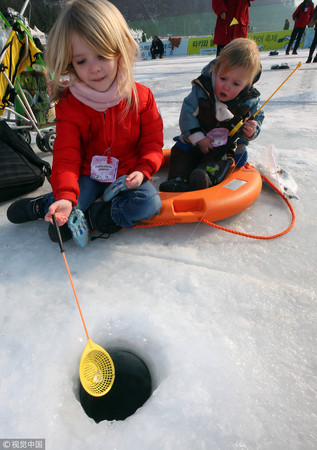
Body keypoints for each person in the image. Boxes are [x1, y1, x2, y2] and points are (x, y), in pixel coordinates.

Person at [7, 0, 164, 247]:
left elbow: (152, 144)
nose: (94, 69)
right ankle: (45, 205)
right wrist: (66, 198)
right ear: (70, 62)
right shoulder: (70, 105)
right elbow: (66, 156)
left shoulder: (141, 98)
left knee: (148, 203)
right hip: (87, 175)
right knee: (70, 202)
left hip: (125, 175)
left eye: (102, 55)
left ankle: (92, 219)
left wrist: (143, 171)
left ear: (118, 49)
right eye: (81, 61)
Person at [159, 38, 264, 193]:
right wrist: (198, 138)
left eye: (236, 84)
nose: (227, 87)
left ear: (246, 84)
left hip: (220, 147)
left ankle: (205, 178)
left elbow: (256, 119)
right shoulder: (202, 90)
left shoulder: (249, 102)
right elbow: (187, 112)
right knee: (180, 152)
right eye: (223, 78)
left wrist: (251, 131)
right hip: (193, 141)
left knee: (221, 160)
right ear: (216, 70)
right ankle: (177, 179)